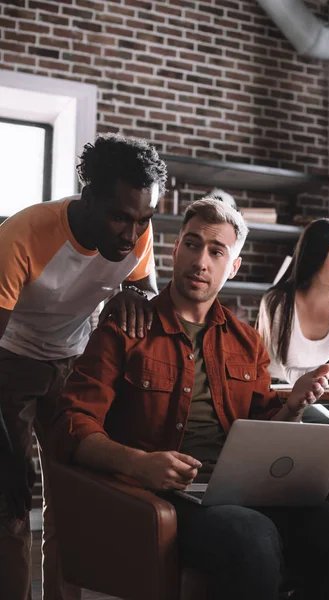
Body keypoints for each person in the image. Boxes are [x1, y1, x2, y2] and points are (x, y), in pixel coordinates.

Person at [52, 198, 329, 600]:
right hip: (163, 499)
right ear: (174, 250)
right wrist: (140, 464)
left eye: (217, 251)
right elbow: (72, 423)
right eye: (192, 245)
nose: (201, 261)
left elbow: (264, 429)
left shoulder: (246, 342)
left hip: (245, 492)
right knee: (250, 536)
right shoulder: (125, 329)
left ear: (234, 267)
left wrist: (294, 405)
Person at [0, 133, 167, 600]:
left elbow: (145, 292)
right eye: (119, 217)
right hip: (10, 363)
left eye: (143, 220)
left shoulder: (138, 230)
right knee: (11, 500)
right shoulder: (22, 235)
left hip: (73, 363)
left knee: (72, 498)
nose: (132, 234)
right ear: (87, 195)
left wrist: (132, 297)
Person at [257, 218, 329, 424]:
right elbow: (290, 372)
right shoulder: (278, 301)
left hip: (306, 399)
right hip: (269, 399)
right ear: (316, 254)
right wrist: (327, 371)